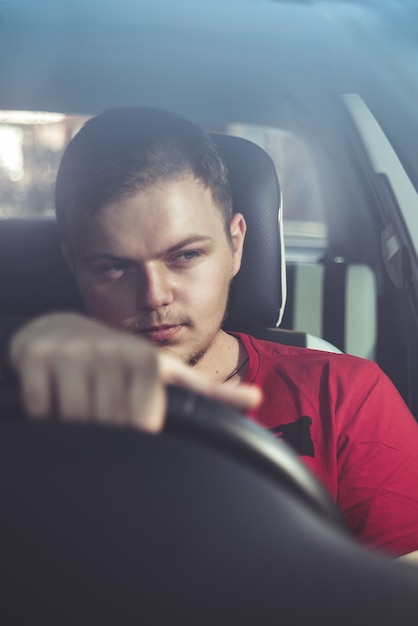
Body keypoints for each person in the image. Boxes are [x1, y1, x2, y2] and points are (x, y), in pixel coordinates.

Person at [5, 107, 418, 561]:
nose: (154, 297)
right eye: (114, 268)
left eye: (184, 255)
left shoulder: (343, 396)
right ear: (74, 266)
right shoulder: (25, 412)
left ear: (236, 245)